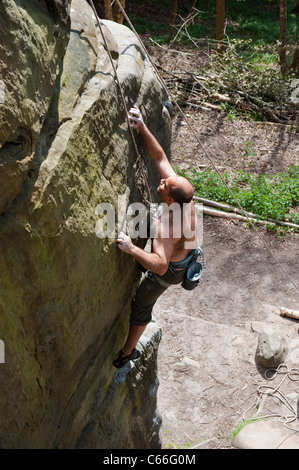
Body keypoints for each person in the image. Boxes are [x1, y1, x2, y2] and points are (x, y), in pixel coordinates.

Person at [113, 106, 201, 368]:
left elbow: (161, 265)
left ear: (171, 199)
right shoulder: (184, 200)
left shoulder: (167, 225)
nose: (161, 182)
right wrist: (142, 126)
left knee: (141, 305)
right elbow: (160, 157)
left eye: (164, 185)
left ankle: (127, 352)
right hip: (185, 255)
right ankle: (142, 260)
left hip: (171, 270)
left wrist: (130, 248)